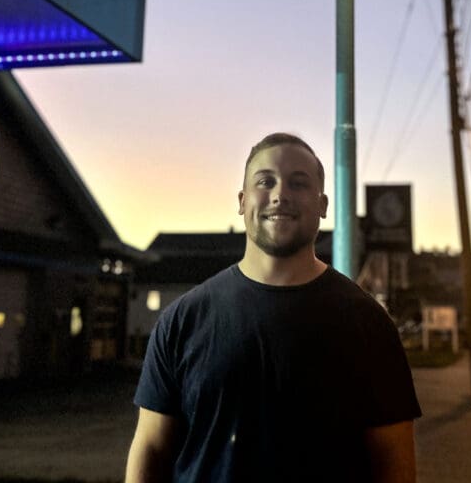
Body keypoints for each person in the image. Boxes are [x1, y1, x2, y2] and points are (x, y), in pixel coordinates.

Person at [125, 132, 421, 482]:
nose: (281, 195)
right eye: (266, 181)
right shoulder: (183, 320)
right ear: (242, 199)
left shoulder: (369, 324)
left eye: (299, 183)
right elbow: (152, 448)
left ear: (323, 205)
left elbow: (394, 462)